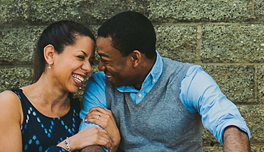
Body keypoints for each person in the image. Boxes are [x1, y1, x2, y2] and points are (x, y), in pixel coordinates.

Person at [78, 11, 251, 152]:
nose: (99, 66)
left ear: (135, 58)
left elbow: (229, 123)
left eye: (106, 59)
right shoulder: (101, 83)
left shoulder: (187, 79)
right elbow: (90, 140)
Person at [0, 20, 119, 152]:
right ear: (50, 55)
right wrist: (70, 144)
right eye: (80, 57)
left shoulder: (80, 111)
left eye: (90, 62)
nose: (88, 68)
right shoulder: (12, 103)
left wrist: (113, 143)